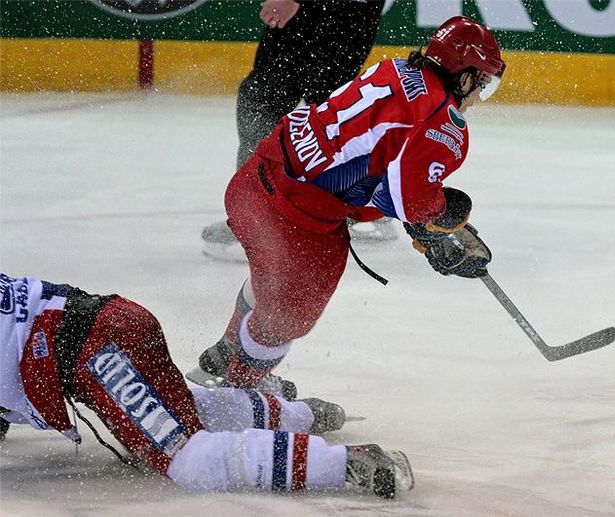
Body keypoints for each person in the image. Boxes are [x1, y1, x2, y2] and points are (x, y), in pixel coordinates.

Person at [195, 16, 503, 390]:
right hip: (295, 219)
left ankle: (229, 350)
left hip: (255, 181)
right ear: (464, 75)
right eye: (481, 84)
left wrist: (422, 217)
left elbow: (370, 156)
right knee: (289, 314)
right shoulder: (445, 123)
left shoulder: (396, 68)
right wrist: (441, 218)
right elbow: (414, 201)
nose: (477, 97)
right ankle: (241, 390)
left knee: (270, 276)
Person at [0, 272, 413, 498]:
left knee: (190, 459)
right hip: (105, 323)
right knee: (179, 412)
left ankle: (349, 462)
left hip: (94, 347)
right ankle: (303, 414)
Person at [202, 0, 395, 261]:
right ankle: (262, 217)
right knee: (312, 109)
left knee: (312, 110)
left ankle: (261, 221)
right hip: (343, 11)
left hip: (338, 10)